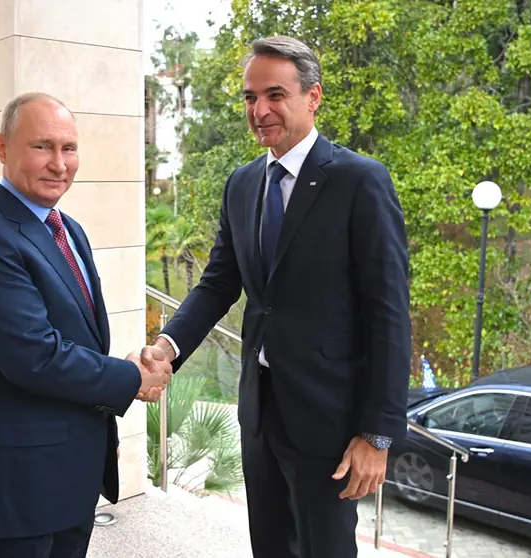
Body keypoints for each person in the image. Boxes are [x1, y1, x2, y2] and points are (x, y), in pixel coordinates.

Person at [146, 36, 412, 557]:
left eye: (274, 94)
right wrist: (169, 345)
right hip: (259, 411)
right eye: (249, 97)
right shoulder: (242, 185)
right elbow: (220, 282)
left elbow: (389, 315)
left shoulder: (360, 181)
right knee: (270, 547)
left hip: (330, 421)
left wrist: (377, 435)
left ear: (313, 97)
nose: (259, 110)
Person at [0, 92, 171, 558]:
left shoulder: (68, 229)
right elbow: (35, 356)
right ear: (2, 147)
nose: (59, 163)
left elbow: (76, 339)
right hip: (14, 486)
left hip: (70, 477)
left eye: (69, 148)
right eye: (42, 146)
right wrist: (132, 377)